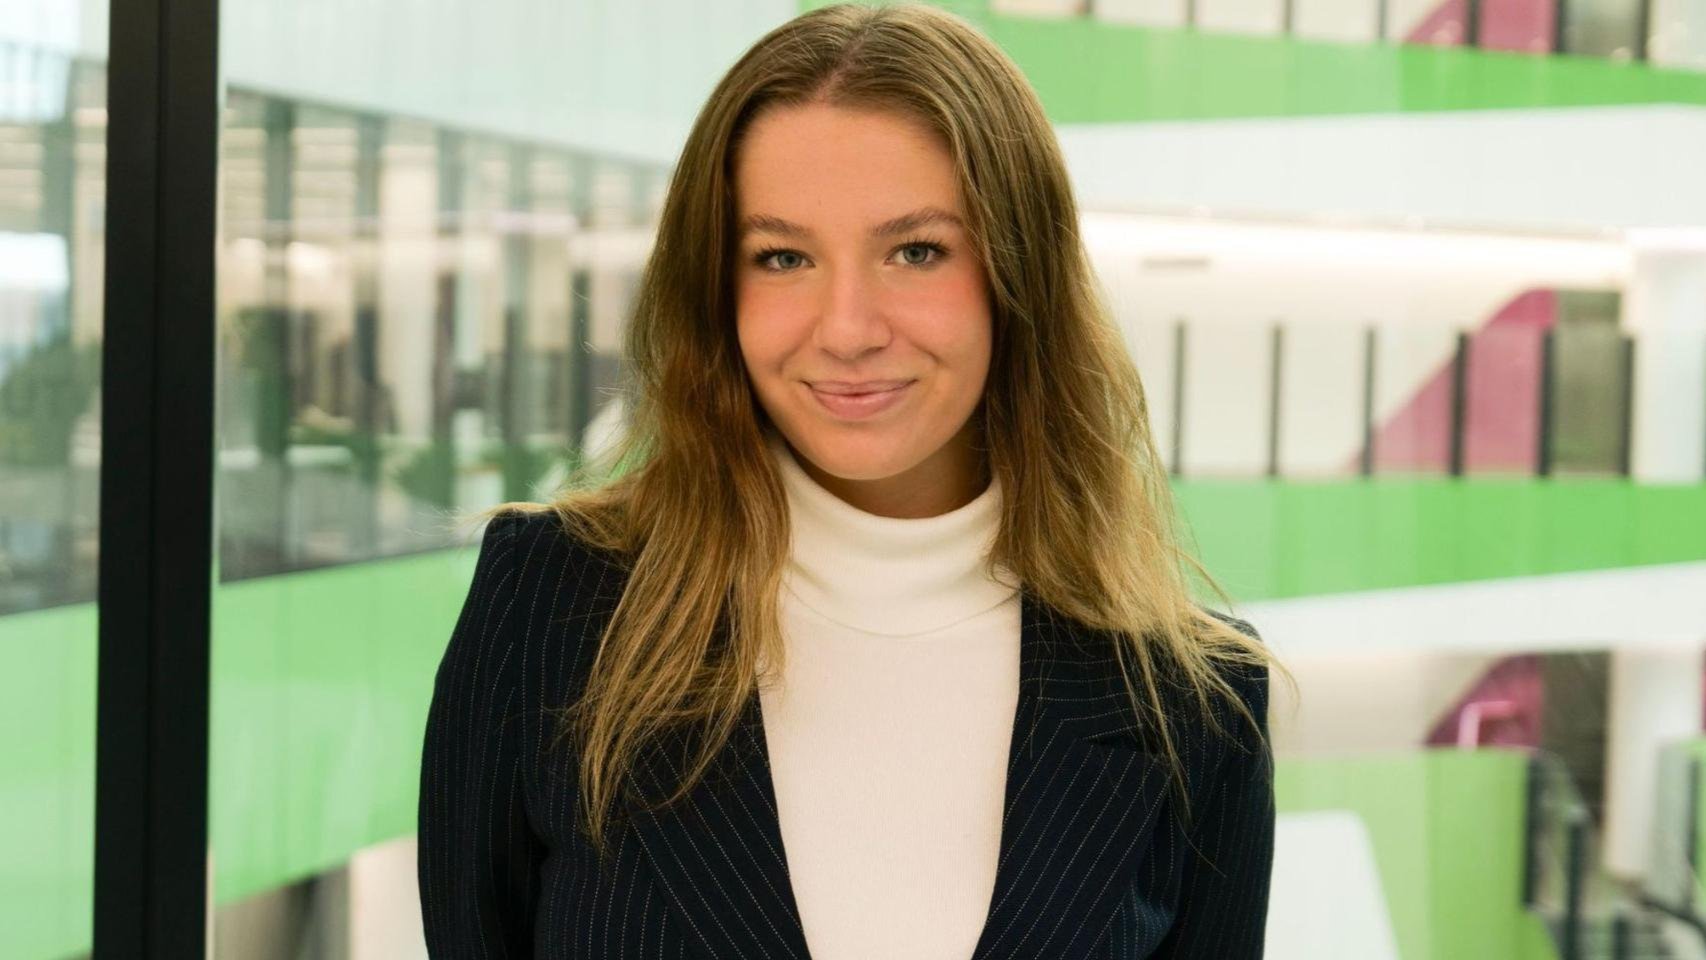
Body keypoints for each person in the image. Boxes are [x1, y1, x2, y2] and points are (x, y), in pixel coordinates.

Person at [418, 4, 1291, 957]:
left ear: (1020, 273)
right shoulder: (551, 604)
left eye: (916, 251)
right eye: (782, 257)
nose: (846, 329)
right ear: (717, 288)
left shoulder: (1193, 704)